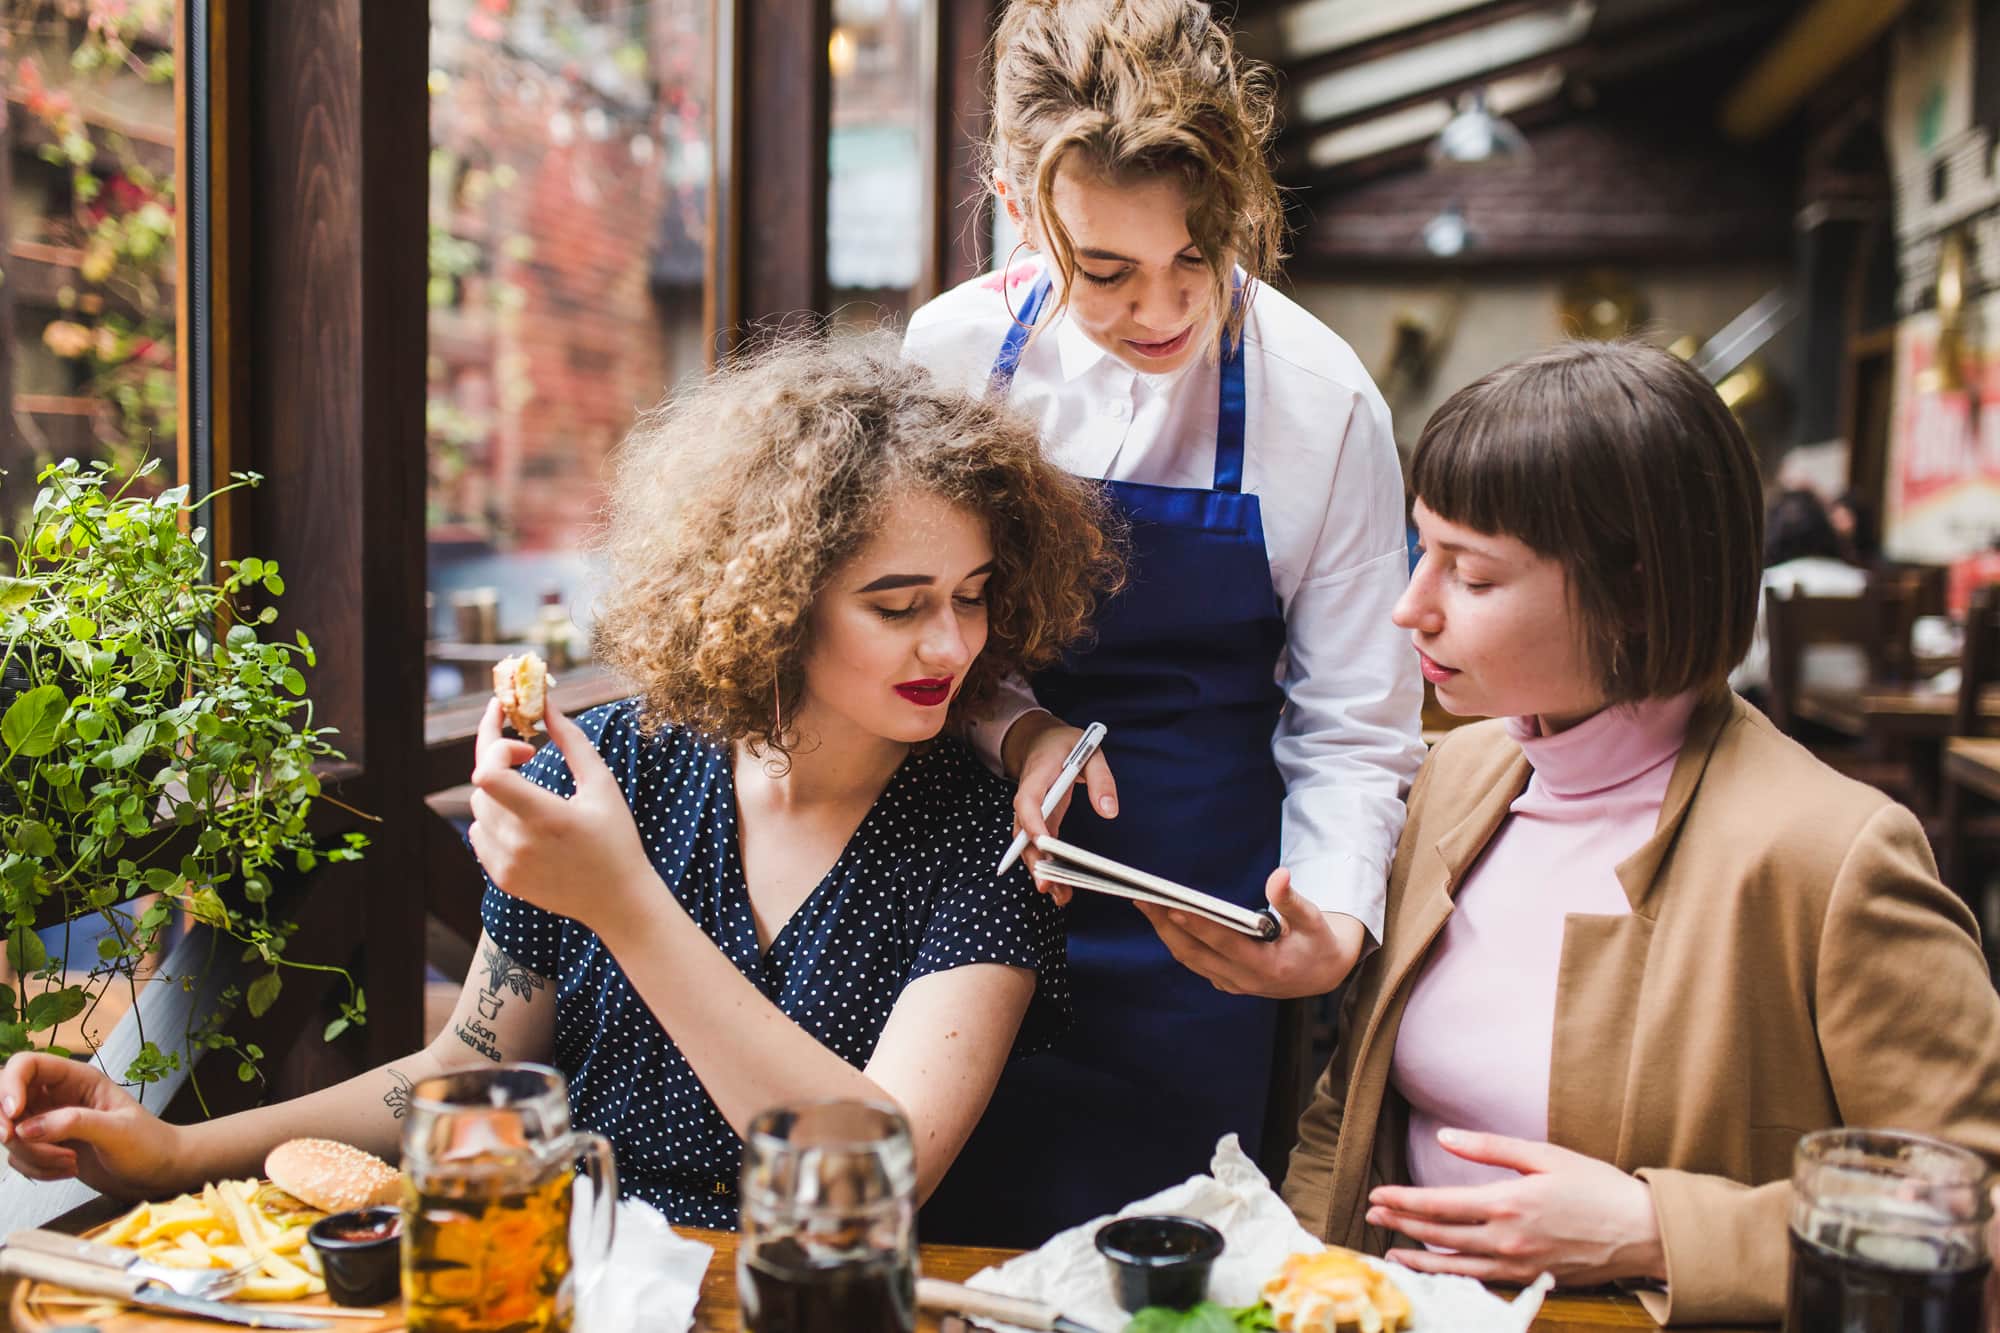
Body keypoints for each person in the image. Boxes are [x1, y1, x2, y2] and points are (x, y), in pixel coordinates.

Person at [0, 335, 1122, 1226]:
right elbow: (466, 1063)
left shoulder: (989, 840)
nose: (950, 646)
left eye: (970, 595)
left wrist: (620, 903)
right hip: (556, 1276)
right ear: (778, 599)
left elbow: (880, 1175)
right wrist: (176, 1152)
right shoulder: (623, 762)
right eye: (896, 604)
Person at [1281, 340, 2000, 1325]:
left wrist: (1657, 1229)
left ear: (1631, 590)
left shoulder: (1829, 857)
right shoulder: (1451, 778)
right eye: (1421, 551)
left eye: (1473, 577)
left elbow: (1977, 1214)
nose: (1413, 608)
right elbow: (1346, 1110)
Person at [904, 0, 1424, 1242]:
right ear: (1018, 210)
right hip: (950, 904)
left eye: (1198, 255)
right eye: (1108, 271)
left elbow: (1355, 728)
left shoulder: (1324, 402)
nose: (1164, 309)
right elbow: (906, 632)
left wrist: (1333, 929)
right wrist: (1020, 732)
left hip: (1201, 947)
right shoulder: (952, 353)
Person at [1728, 487, 1868, 698]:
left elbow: (1744, 671)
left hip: (1783, 715)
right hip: (1857, 712)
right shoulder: (1863, 581)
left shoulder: (1768, 583)